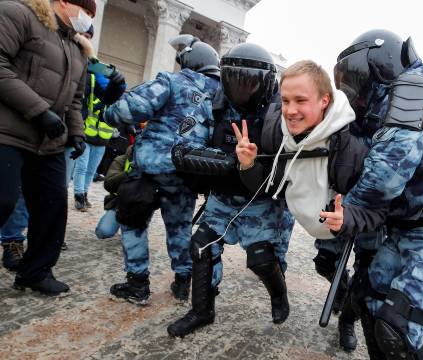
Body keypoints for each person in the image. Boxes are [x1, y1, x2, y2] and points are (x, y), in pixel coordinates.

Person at [320, 29, 423, 359]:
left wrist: (349, 214)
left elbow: (386, 174)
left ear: (376, 64)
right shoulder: (390, 100)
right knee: (369, 297)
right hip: (413, 226)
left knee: (398, 326)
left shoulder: (411, 91)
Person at [232, 59, 378, 351]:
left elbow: (379, 206)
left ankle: (347, 320)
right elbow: (272, 188)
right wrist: (248, 165)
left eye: (301, 100)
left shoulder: (351, 146)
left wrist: (349, 217)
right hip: (323, 220)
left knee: (366, 281)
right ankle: (342, 291)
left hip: (356, 217)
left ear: (325, 100)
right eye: (285, 100)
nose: (290, 110)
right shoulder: (279, 132)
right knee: (326, 264)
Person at [167, 43, 295, 337]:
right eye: (236, 81)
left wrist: (256, 166)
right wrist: (233, 162)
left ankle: (278, 295)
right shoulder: (211, 103)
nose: (243, 89)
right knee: (201, 245)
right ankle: (201, 310)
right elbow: (182, 150)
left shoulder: (282, 111)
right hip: (222, 197)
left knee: (262, 258)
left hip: (261, 200)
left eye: (250, 82)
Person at [103, 34, 221, 305]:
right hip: (188, 175)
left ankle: (138, 285)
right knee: (179, 228)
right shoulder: (221, 95)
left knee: (132, 224)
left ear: (189, 60)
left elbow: (130, 109)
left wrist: (108, 112)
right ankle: (182, 282)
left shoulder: (173, 81)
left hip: (150, 171)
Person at [0, 0, 98, 295]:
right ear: (65, 2)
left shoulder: (78, 48)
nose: (88, 20)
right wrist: (40, 112)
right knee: (3, 200)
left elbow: (75, 101)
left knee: (53, 207)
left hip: (50, 141)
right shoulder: (19, 14)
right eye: (87, 12)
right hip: (9, 131)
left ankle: (36, 271)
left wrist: (77, 133)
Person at [72, 26, 127, 211]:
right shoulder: (90, 79)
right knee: (81, 167)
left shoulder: (112, 89)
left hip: (103, 136)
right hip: (87, 131)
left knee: (91, 169)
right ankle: (79, 194)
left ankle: (84, 193)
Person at [94, 146, 133, 239]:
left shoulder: (153, 163)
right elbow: (108, 184)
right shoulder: (121, 159)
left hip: (141, 206)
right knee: (103, 232)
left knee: (130, 240)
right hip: (119, 203)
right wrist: (127, 173)